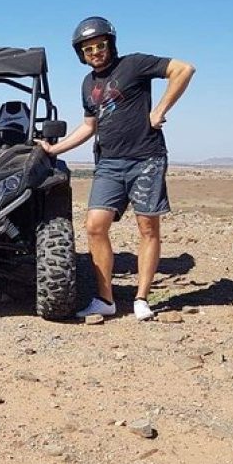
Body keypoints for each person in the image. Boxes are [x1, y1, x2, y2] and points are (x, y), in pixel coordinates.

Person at [36, 17, 195, 321]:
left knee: (147, 228)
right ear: (81, 54)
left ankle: (141, 299)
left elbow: (183, 69)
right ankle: (105, 299)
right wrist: (54, 149)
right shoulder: (88, 84)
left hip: (146, 158)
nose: (95, 52)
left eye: (99, 45)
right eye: (88, 49)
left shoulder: (134, 65)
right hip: (108, 163)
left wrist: (159, 109)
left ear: (110, 44)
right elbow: (89, 126)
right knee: (95, 226)